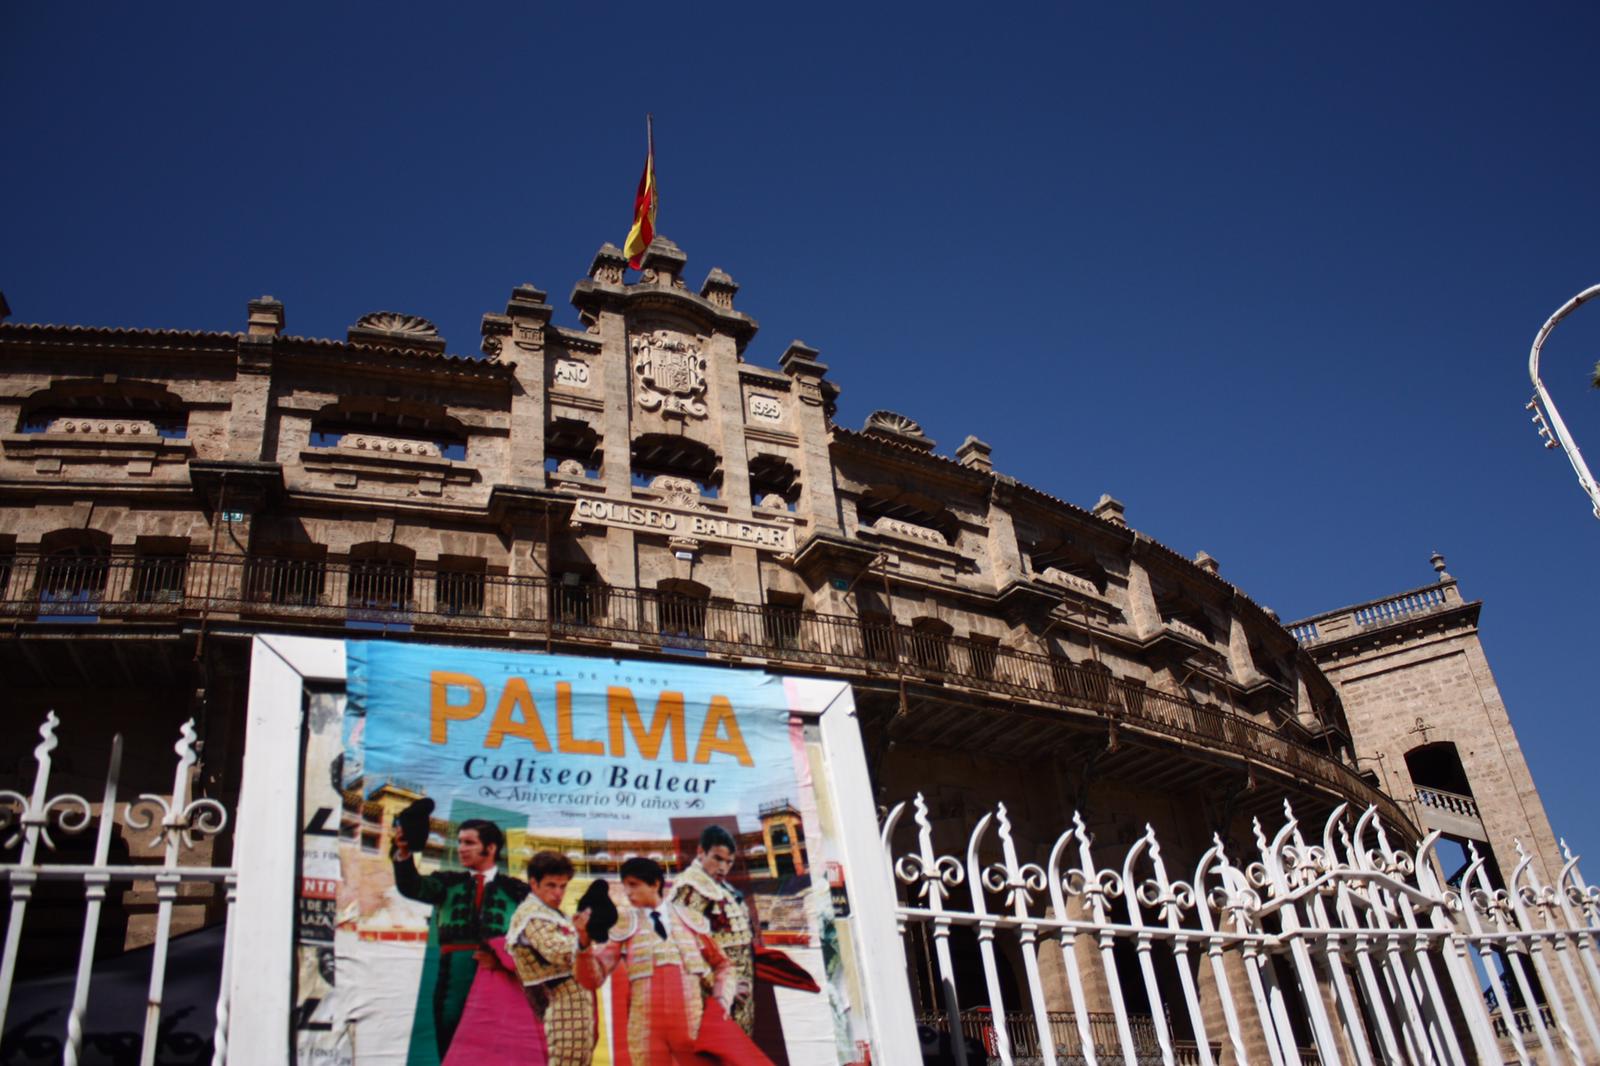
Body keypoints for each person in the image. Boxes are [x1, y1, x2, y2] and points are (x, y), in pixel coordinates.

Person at [576, 857, 774, 1065]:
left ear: (655, 884)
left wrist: (722, 999)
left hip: (691, 1023)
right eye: (625, 886)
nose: (627, 892)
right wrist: (583, 943)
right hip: (645, 1028)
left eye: (633, 885)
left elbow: (723, 964)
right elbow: (592, 979)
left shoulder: (689, 919)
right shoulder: (624, 925)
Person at [392, 812, 528, 1062]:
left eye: (469, 843)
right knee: (452, 1046)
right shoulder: (446, 882)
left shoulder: (517, 890)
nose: (460, 849)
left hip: (499, 977)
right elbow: (411, 885)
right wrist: (403, 853)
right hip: (454, 977)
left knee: (497, 1049)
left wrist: (504, 962)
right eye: (459, 842)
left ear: (490, 847)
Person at [501, 851, 596, 1066]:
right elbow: (556, 951)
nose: (558, 893)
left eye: (563, 886)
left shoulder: (551, 912)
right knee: (566, 1060)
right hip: (559, 999)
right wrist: (584, 938)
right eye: (551, 886)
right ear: (533, 884)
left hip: (569, 999)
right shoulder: (533, 914)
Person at [670, 825, 755, 1033]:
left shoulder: (721, 887)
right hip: (714, 992)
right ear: (701, 852)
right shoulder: (691, 888)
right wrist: (723, 988)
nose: (723, 868)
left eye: (729, 862)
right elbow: (684, 949)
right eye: (717, 858)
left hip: (740, 990)